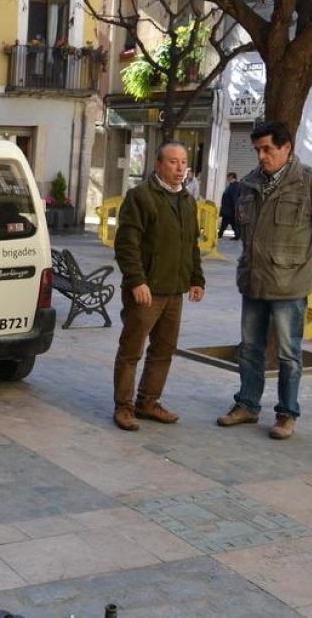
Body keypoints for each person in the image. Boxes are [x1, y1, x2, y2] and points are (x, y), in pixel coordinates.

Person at [216, 120, 312, 439]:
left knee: (288, 354)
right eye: (258, 149)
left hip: (290, 286)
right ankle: (246, 404)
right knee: (250, 349)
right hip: (254, 282)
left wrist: (305, 266)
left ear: (286, 147)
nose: (261, 155)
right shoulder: (248, 184)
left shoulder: (311, 183)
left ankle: (286, 414)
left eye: (267, 149)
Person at [111, 141, 206, 431]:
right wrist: (137, 280)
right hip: (146, 290)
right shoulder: (140, 197)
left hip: (173, 291)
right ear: (158, 165)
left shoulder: (188, 202)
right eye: (173, 162)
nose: (180, 169)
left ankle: (148, 402)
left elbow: (191, 245)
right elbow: (127, 244)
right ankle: (124, 407)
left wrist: (196, 278)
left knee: (164, 351)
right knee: (131, 350)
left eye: (184, 162)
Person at [218, 172, 240, 239]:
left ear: (232, 178)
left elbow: (234, 198)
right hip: (228, 209)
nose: (227, 179)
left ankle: (237, 235)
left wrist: (235, 209)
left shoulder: (234, 186)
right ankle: (237, 235)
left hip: (230, 209)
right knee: (230, 223)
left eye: (228, 178)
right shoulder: (231, 186)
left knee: (228, 223)